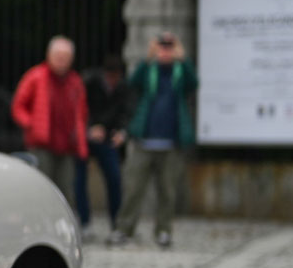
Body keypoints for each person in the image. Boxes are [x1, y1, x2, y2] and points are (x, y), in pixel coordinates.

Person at [113, 31, 198, 248]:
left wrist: (183, 59)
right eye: (162, 47)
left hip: (171, 143)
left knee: (167, 192)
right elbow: (133, 81)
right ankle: (124, 229)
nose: (166, 51)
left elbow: (194, 83)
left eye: (170, 47)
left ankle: (163, 231)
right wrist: (148, 57)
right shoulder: (149, 70)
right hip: (143, 141)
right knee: (133, 189)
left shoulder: (180, 72)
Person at [11, 36, 88, 210]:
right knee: (41, 187)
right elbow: (18, 106)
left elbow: (81, 114)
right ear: (49, 55)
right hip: (41, 143)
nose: (61, 60)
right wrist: (31, 124)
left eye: (65, 56)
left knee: (66, 190)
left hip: (67, 145)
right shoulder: (36, 76)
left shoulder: (75, 82)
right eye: (58, 55)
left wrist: (81, 143)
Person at [75, 57, 131, 236]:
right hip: (85, 137)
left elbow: (126, 111)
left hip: (107, 138)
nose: (112, 81)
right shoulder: (89, 82)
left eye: (116, 77)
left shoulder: (122, 87)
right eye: (110, 77)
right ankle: (84, 222)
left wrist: (120, 131)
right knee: (79, 180)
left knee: (114, 179)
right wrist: (89, 128)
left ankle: (116, 222)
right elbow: (79, 108)